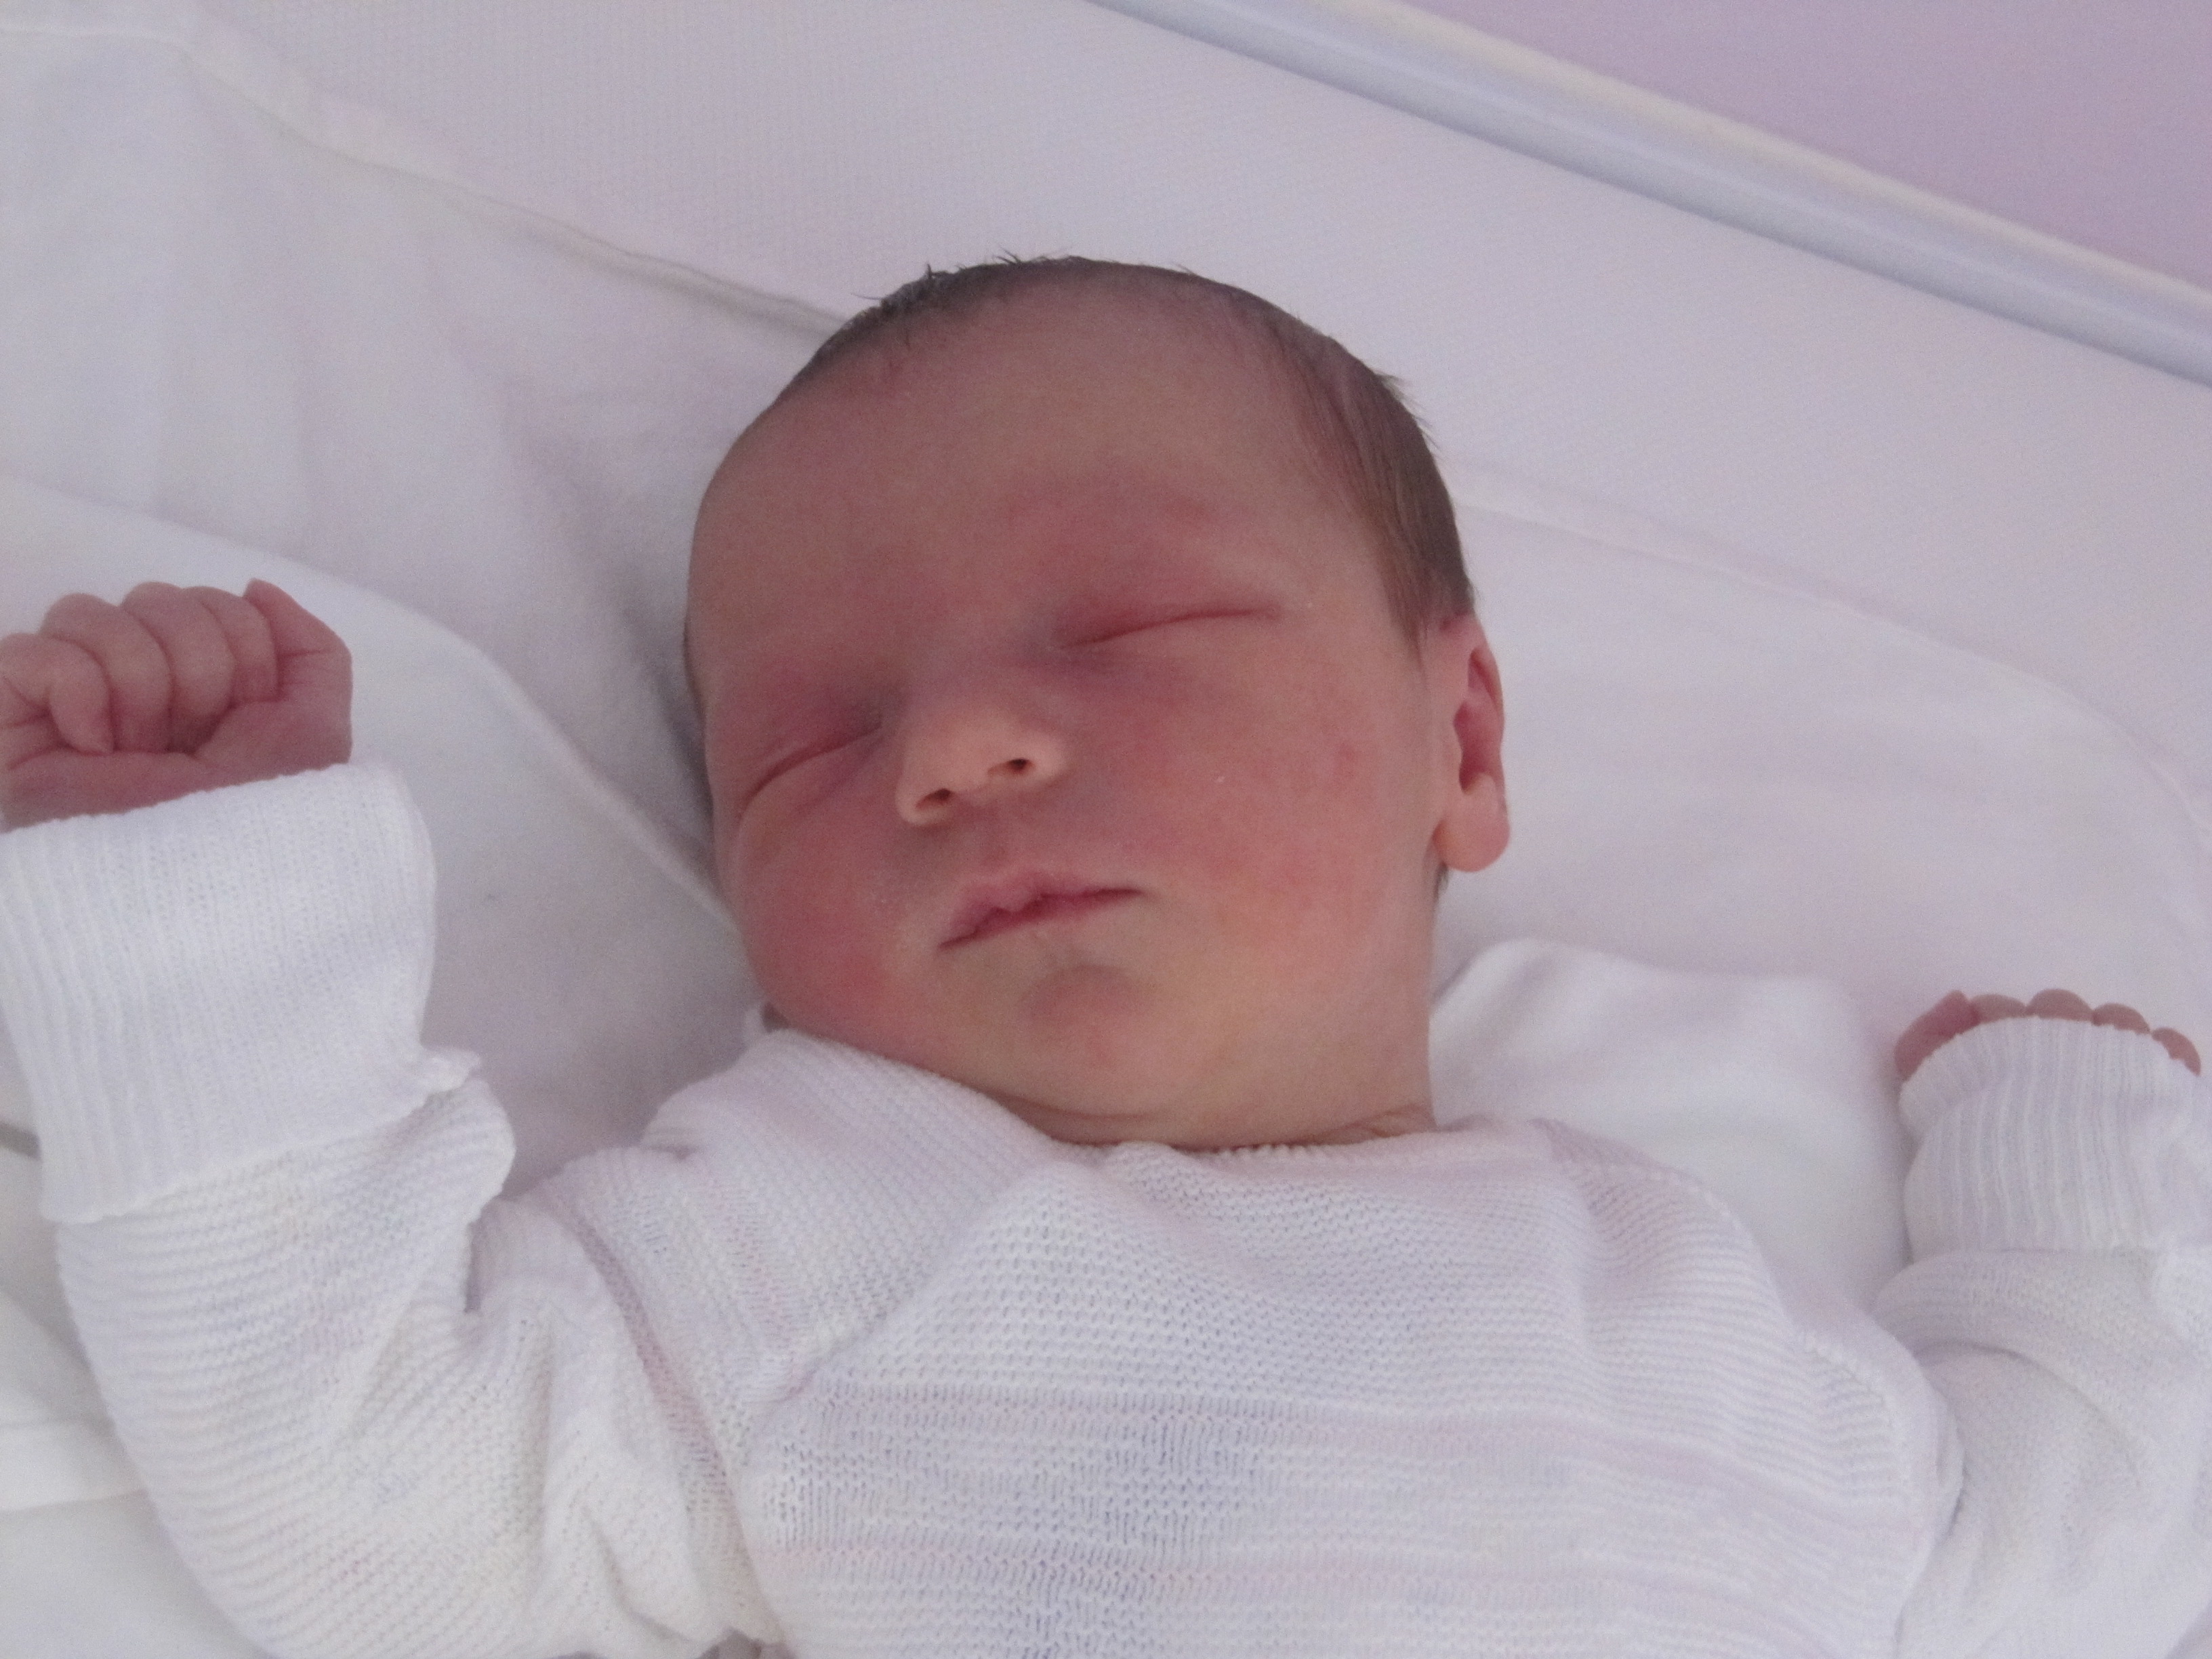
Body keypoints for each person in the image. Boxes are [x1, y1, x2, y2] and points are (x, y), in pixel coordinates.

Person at [1, 258, 2207, 1658]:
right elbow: (366, 1496)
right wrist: (195, 906)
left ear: (1459, 741)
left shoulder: (1688, 1309)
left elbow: (2064, 1573)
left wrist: (2078, 1173)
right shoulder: (811, 1241)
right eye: (813, 737)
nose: (957, 745)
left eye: (1130, 629)